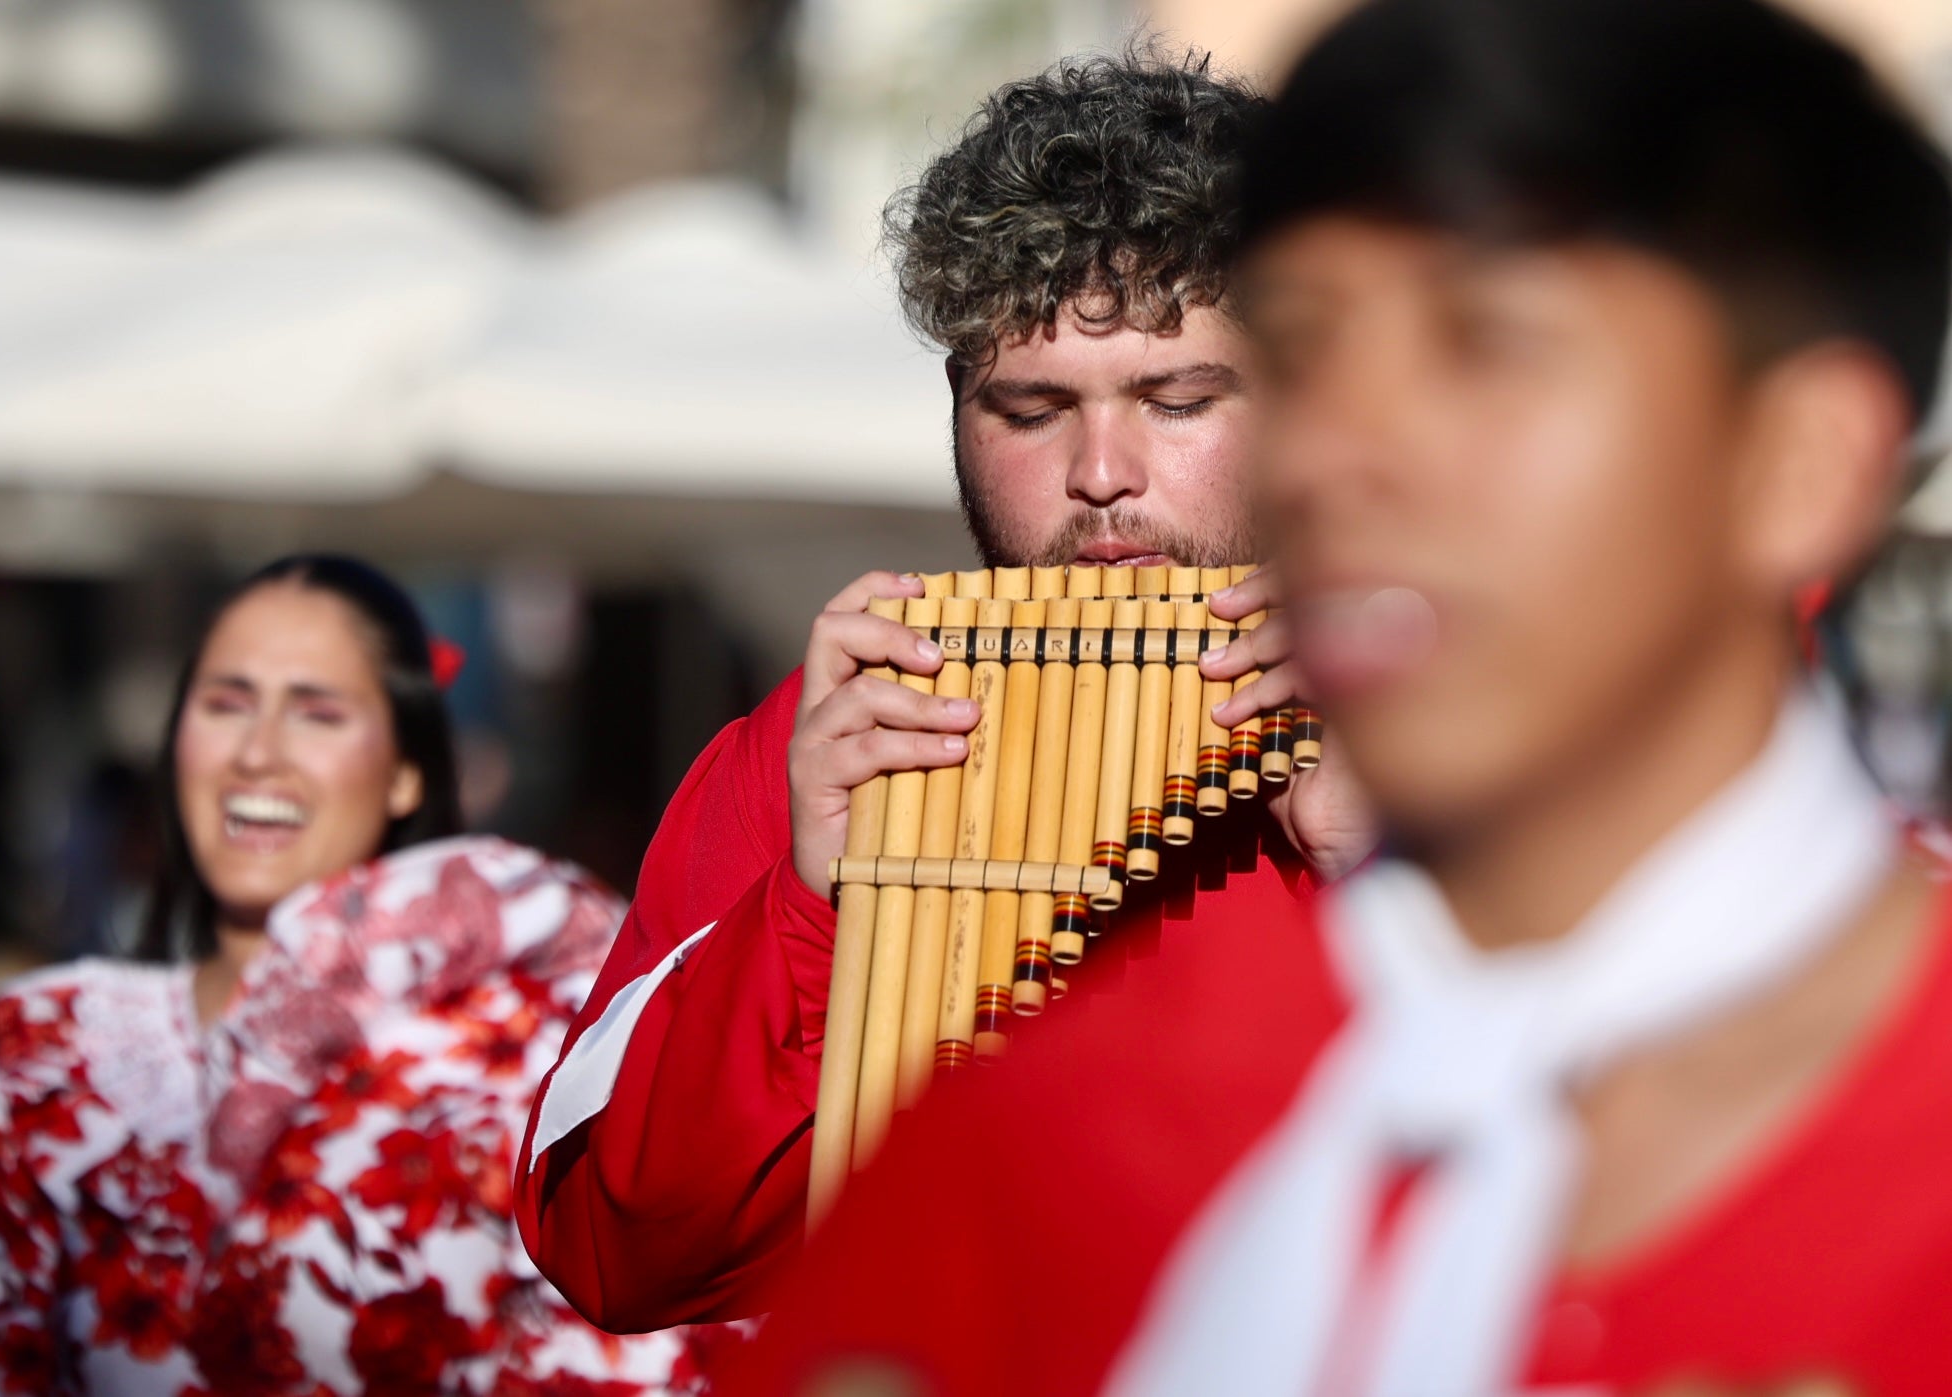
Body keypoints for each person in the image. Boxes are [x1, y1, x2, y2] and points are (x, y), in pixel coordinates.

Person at [719, 1, 1952, 1393]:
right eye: (1304, 356)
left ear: (1800, 461)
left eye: (1485, 348)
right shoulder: (1037, 1128)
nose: (1339, 454)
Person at [513, 49, 1380, 1332]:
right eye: (1030, 410)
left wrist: (1396, 873)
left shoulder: (1489, 724)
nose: (1100, 472)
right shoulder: (837, 736)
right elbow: (613, 1251)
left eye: (1178, 398)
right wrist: (805, 916)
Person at [0, 555, 738, 1394]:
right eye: (225, 703)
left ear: (407, 769)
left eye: (318, 712)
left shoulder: (528, 1037)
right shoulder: (34, 1049)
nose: (258, 753)